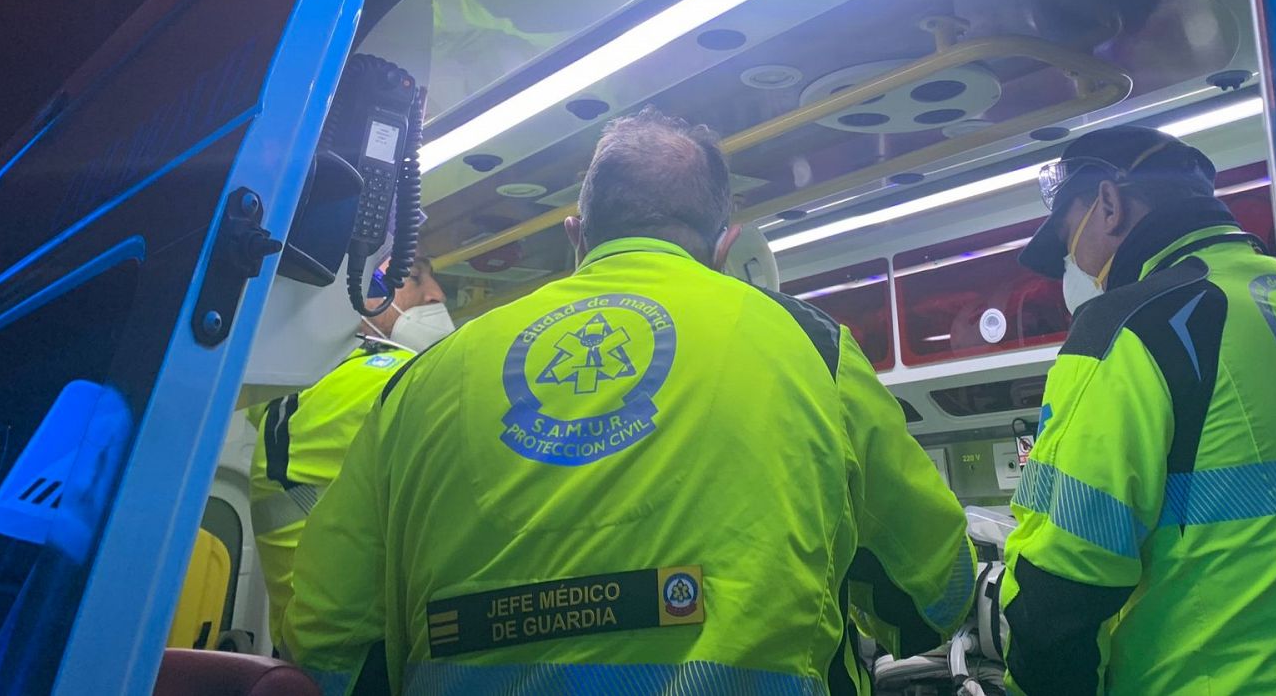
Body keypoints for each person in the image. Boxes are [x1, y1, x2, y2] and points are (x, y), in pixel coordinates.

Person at [283, 109, 975, 695]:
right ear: (726, 247)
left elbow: (325, 632)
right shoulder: (811, 347)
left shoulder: (423, 380)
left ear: (575, 237)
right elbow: (934, 589)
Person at [1003, 125, 1276, 694]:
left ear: (1108, 204)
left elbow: (1065, 581)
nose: (1072, 266)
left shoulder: (1130, 325)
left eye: (1067, 240)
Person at [249, 258, 453, 643]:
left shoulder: (290, 398)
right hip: (374, 659)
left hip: (319, 656)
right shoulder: (382, 378)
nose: (437, 294)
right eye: (413, 277)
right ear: (358, 296)